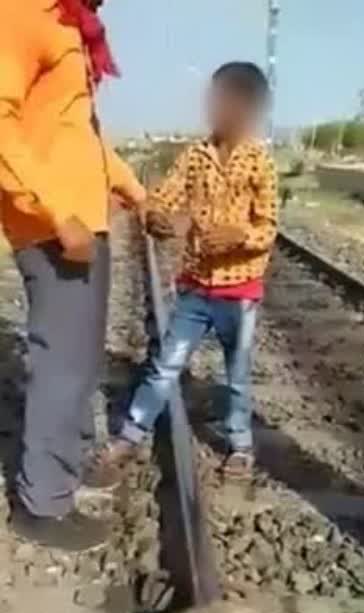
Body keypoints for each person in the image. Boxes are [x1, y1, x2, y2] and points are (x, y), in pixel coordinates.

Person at [84, 61, 278, 488]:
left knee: (238, 375)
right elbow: (161, 198)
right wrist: (155, 217)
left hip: (239, 292)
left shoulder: (259, 162)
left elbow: (267, 228)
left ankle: (240, 445)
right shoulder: (195, 156)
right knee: (164, 366)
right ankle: (130, 436)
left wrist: (237, 235)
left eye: (228, 100)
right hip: (195, 288)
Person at [1, 0, 148, 551]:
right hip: (54, 226)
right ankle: (43, 502)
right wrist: (55, 212)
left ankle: (74, 456)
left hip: (84, 220)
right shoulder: (20, 12)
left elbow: (81, 134)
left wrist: (135, 193)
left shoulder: (69, 24)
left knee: (82, 359)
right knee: (61, 363)